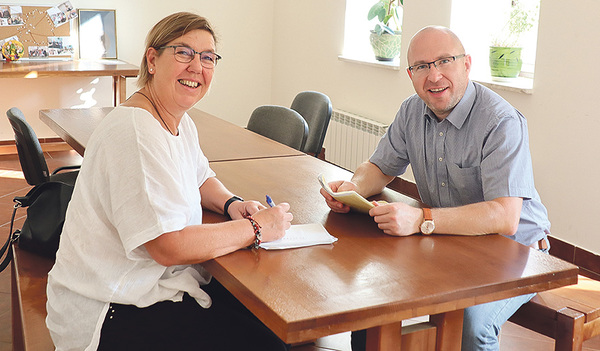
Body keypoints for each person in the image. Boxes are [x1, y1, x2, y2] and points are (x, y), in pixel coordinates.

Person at [46, 12, 292, 351]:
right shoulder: (135, 131)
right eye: (183, 52)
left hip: (148, 287)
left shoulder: (176, 118)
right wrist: (258, 226)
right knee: (268, 343)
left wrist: (233, 204)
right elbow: (167, 246)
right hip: (112, 308)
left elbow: (201, 176)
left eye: (207, 57)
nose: (196, 67)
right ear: (152, 59)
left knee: (267, 321)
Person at [320, 26, 550, 351]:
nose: (434, 75)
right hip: (448, 242)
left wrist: (420, 219)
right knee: (369, 301)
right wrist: (351, 188)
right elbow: (379, 167)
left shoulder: (501, 122)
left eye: (444, 61)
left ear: (467, 64)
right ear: (410, 74)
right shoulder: (411, 111)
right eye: (422, 66)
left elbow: (505, 217)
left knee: (471, 326)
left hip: (516, 252)